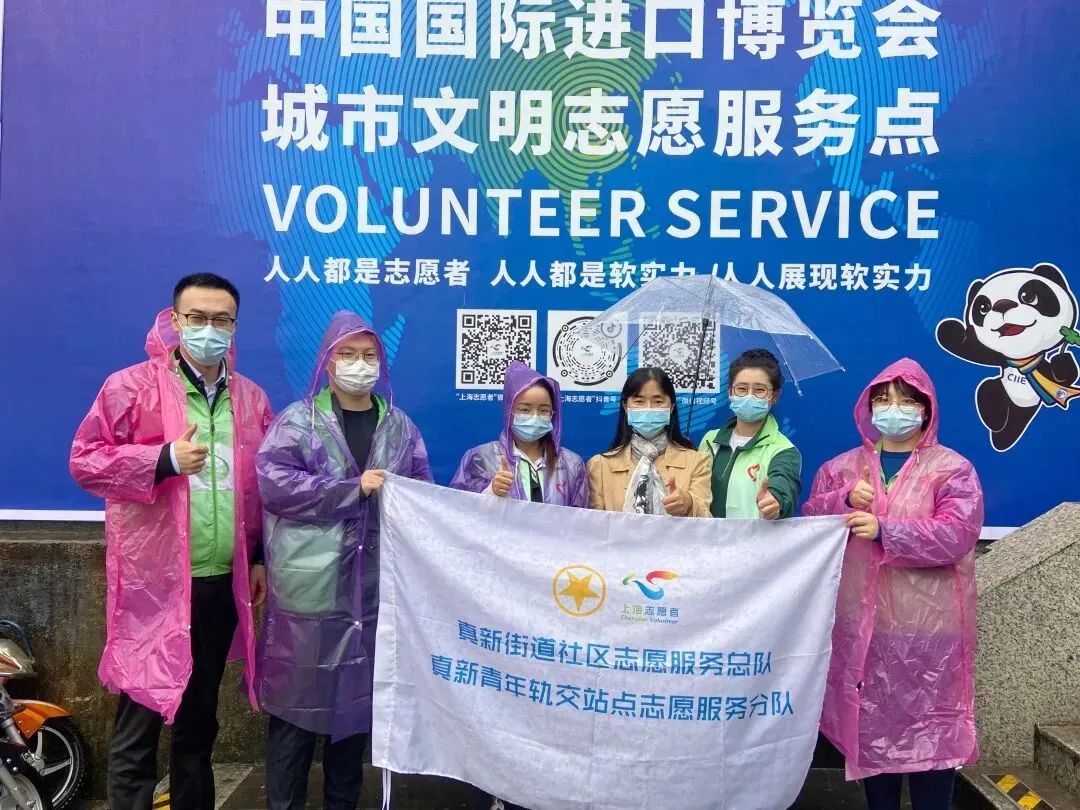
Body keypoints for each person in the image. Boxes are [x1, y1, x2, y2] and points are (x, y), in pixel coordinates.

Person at [69, 273, 273, 810]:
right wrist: (162, 459)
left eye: (221, 320)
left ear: (235, 326)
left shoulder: (250, 399)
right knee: (139, 721)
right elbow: (86, 462)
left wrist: (255, 557)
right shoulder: (130, 387)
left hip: (220, 582)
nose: (210, 329)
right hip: (155, 588)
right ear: (175, 321)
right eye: (198, 318)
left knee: (200, 721)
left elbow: (257, 490)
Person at [255, 311, 433, 810]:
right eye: (348, 354)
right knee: (294, 715)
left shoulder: (399, 427)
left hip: (373, 593)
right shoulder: (298, 421)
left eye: (369, 355)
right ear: (328, 362)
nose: (360, 364)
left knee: (354, 715)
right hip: (310, 591)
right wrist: (350, 490)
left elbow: (422, 493)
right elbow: (274, 485)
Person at [802, 358, 983, 810]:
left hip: (929, 637)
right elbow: (810, 522)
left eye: (905, 400)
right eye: (883, 399)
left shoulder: (952, 470)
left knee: (932, 741)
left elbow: (957, 534)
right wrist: (842, 500)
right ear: (868, 407)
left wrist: (886, 529)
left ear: (926, 408)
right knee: (873, 741)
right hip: (864, 635)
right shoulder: (842, 469)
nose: (893, 408)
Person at [451, 361, 589, 810]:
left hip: (554, 599)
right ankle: (491, 789)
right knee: (498, 693)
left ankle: (541, 787)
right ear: (508, 409)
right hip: (498, 597)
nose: (534, 417)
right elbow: (453, 521)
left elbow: (585, 532)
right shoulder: (481, 459)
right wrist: (489, 494)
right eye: (524, 408)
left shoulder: (572, 465)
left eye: (544, 409)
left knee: (546, 696)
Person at [587, 367, 712, 516]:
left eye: (658, 401)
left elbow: (707, 521)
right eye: (639, 401)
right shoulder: (600, 466)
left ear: (671, 407)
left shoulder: (697, 462)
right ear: (626, 407)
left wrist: (689, 505)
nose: (648, 408)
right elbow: (594, 524)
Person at [698, 348, 801, 519]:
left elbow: (784, 484)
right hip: (709, 536)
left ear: (775, 395)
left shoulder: (783, 451)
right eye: (741, 389)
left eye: (760, 390)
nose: (749, 396)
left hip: (757, 536)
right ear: (730, 392)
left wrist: (776, 501)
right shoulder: (710, 440)